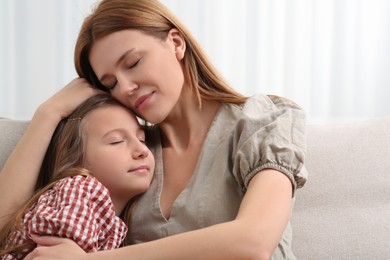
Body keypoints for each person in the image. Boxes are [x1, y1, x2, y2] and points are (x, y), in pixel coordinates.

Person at [0, 0, 308, 259]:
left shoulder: (264, 119)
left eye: (133, 63)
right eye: (110, 83)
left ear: (175, 43)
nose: (127, 87)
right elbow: (6, 226)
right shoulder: (130, 155)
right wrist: (48, 113)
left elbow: (253, 242)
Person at [0, 94, 155, 259]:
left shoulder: (108, 215)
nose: (142, 150)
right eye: (116, 141)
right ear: (76, 161)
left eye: (142, 139)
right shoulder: (79, 191)